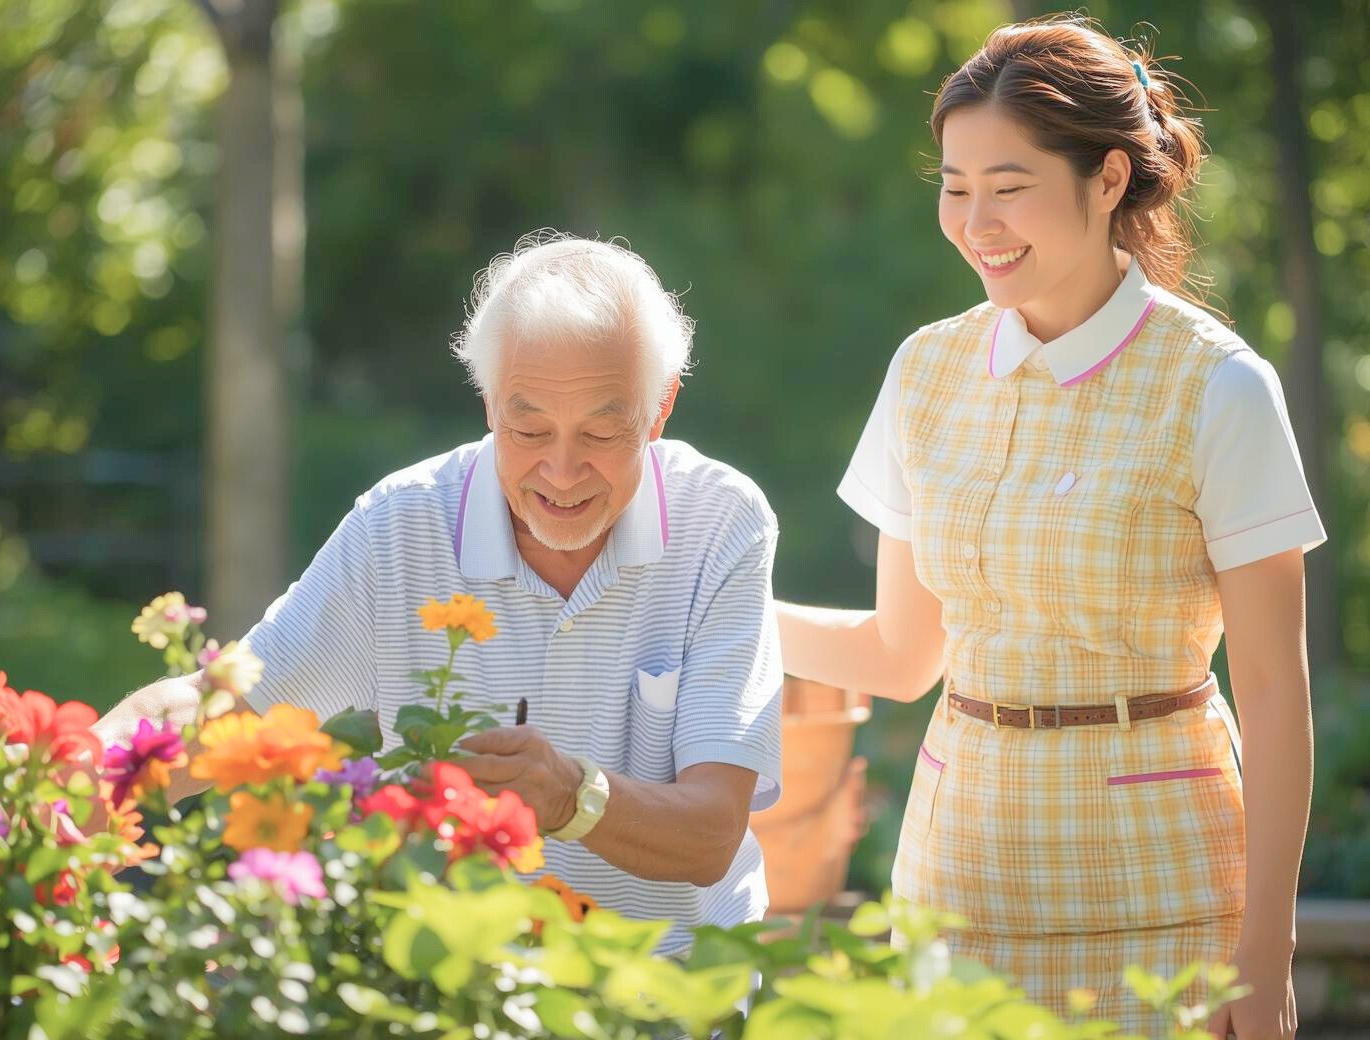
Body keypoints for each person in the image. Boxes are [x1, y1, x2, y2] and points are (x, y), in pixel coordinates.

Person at [777, 17, 1321, 1038]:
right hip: (953, 888)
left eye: (1009, 186)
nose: (976, 221)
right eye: (955, 187)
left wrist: (1264, 951)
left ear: (1108, 178)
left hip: (1161, 895)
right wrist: (706, 606)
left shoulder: (1218, 387)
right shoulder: (926, 371)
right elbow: (901, 655)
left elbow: (1272, 693)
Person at [96, 232, 783, 957]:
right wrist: (58, 784)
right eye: (529, 428)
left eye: (602, 433)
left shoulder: (722, 521)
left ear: (660, 408)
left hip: (668, 982)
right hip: (449, 980)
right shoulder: (399, 526)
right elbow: (224, 708)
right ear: (489, 404)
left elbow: (711, 834)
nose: (561, 470)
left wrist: (570, 795)